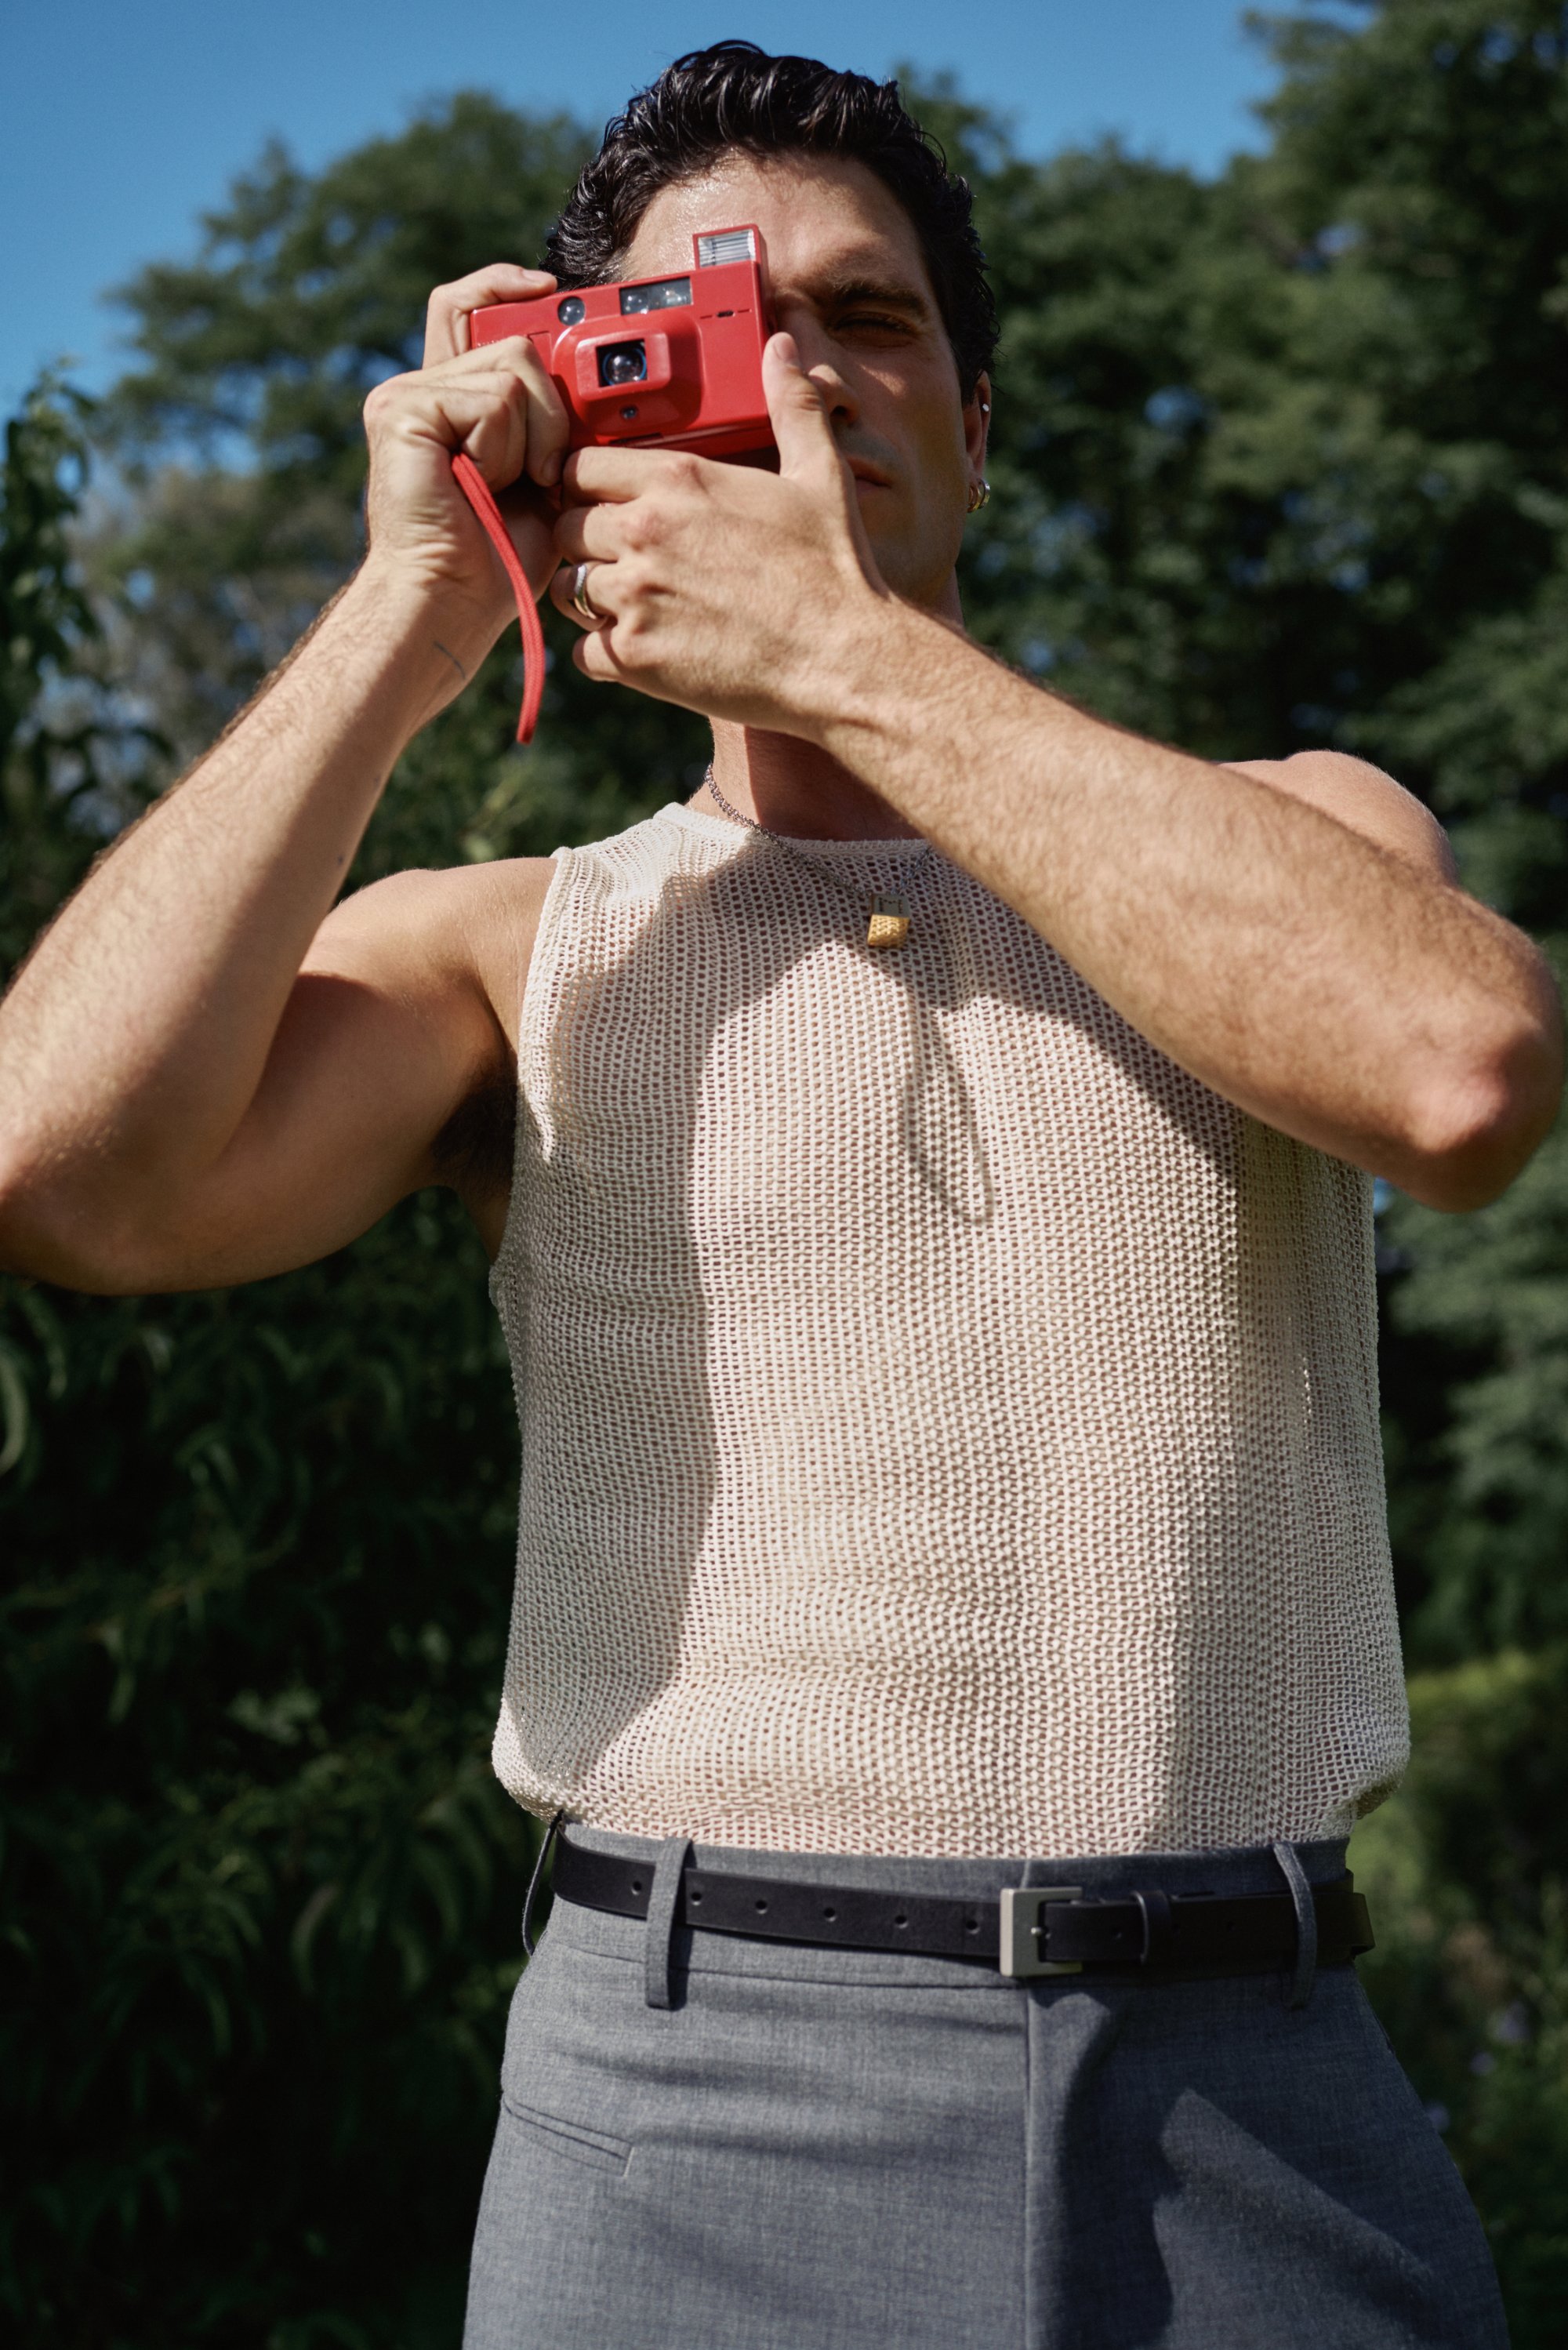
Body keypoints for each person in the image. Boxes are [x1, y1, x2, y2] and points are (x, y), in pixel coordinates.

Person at [0, 39, 1558, 2350]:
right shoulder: (509, 945)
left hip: (1257, 2085)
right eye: (715, 326)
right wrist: (414, 615)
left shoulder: (1293, 821)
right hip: (690, 2093)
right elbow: (66, 1174)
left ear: (981, 432)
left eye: (873, 317)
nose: (804, 368)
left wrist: (845, 647)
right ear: (592, 409)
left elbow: (1460, 1074)